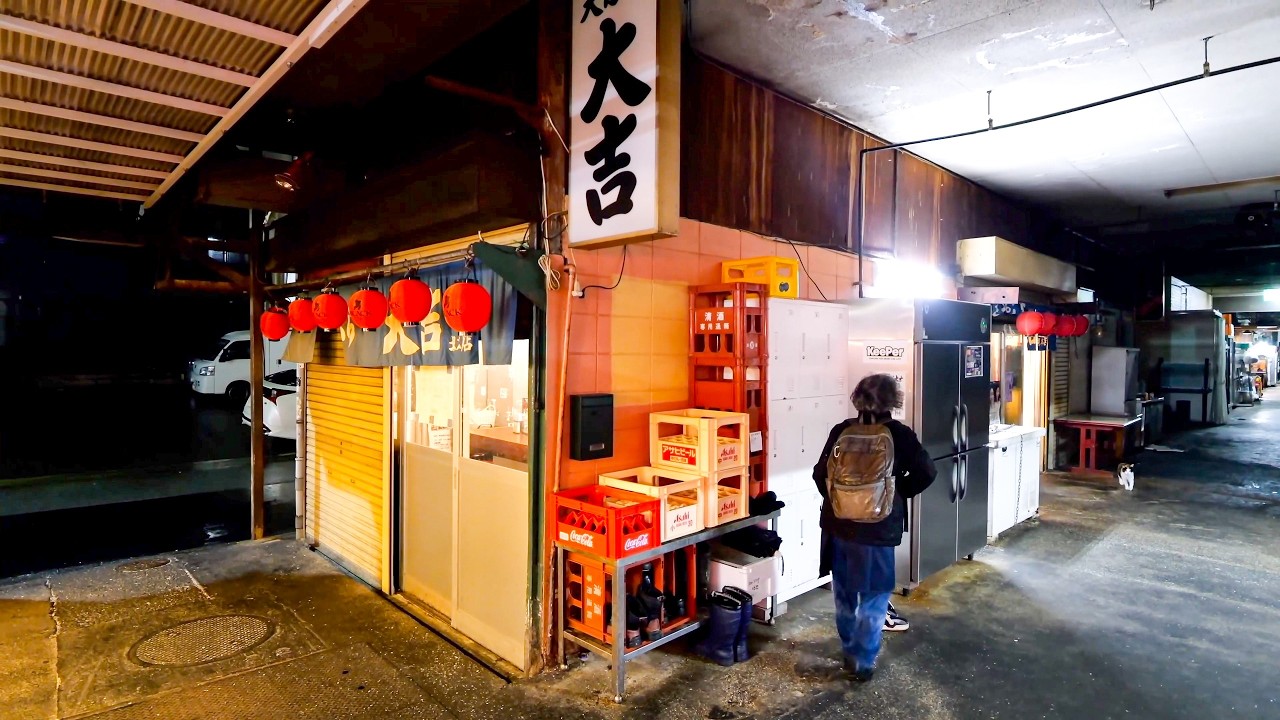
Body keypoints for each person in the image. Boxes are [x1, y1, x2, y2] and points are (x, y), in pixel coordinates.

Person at [812, 373, 936, 681]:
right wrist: (894, 495)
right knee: (876, 595)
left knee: (844, 593)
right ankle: (863, 660)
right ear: (892, 401)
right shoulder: (899, 434)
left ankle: (847, 650)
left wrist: (842, 502)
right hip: (878, 530)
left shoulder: (842, 430)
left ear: (857, 397)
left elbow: (819, 474)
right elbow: (927, 472)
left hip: (838, 528)